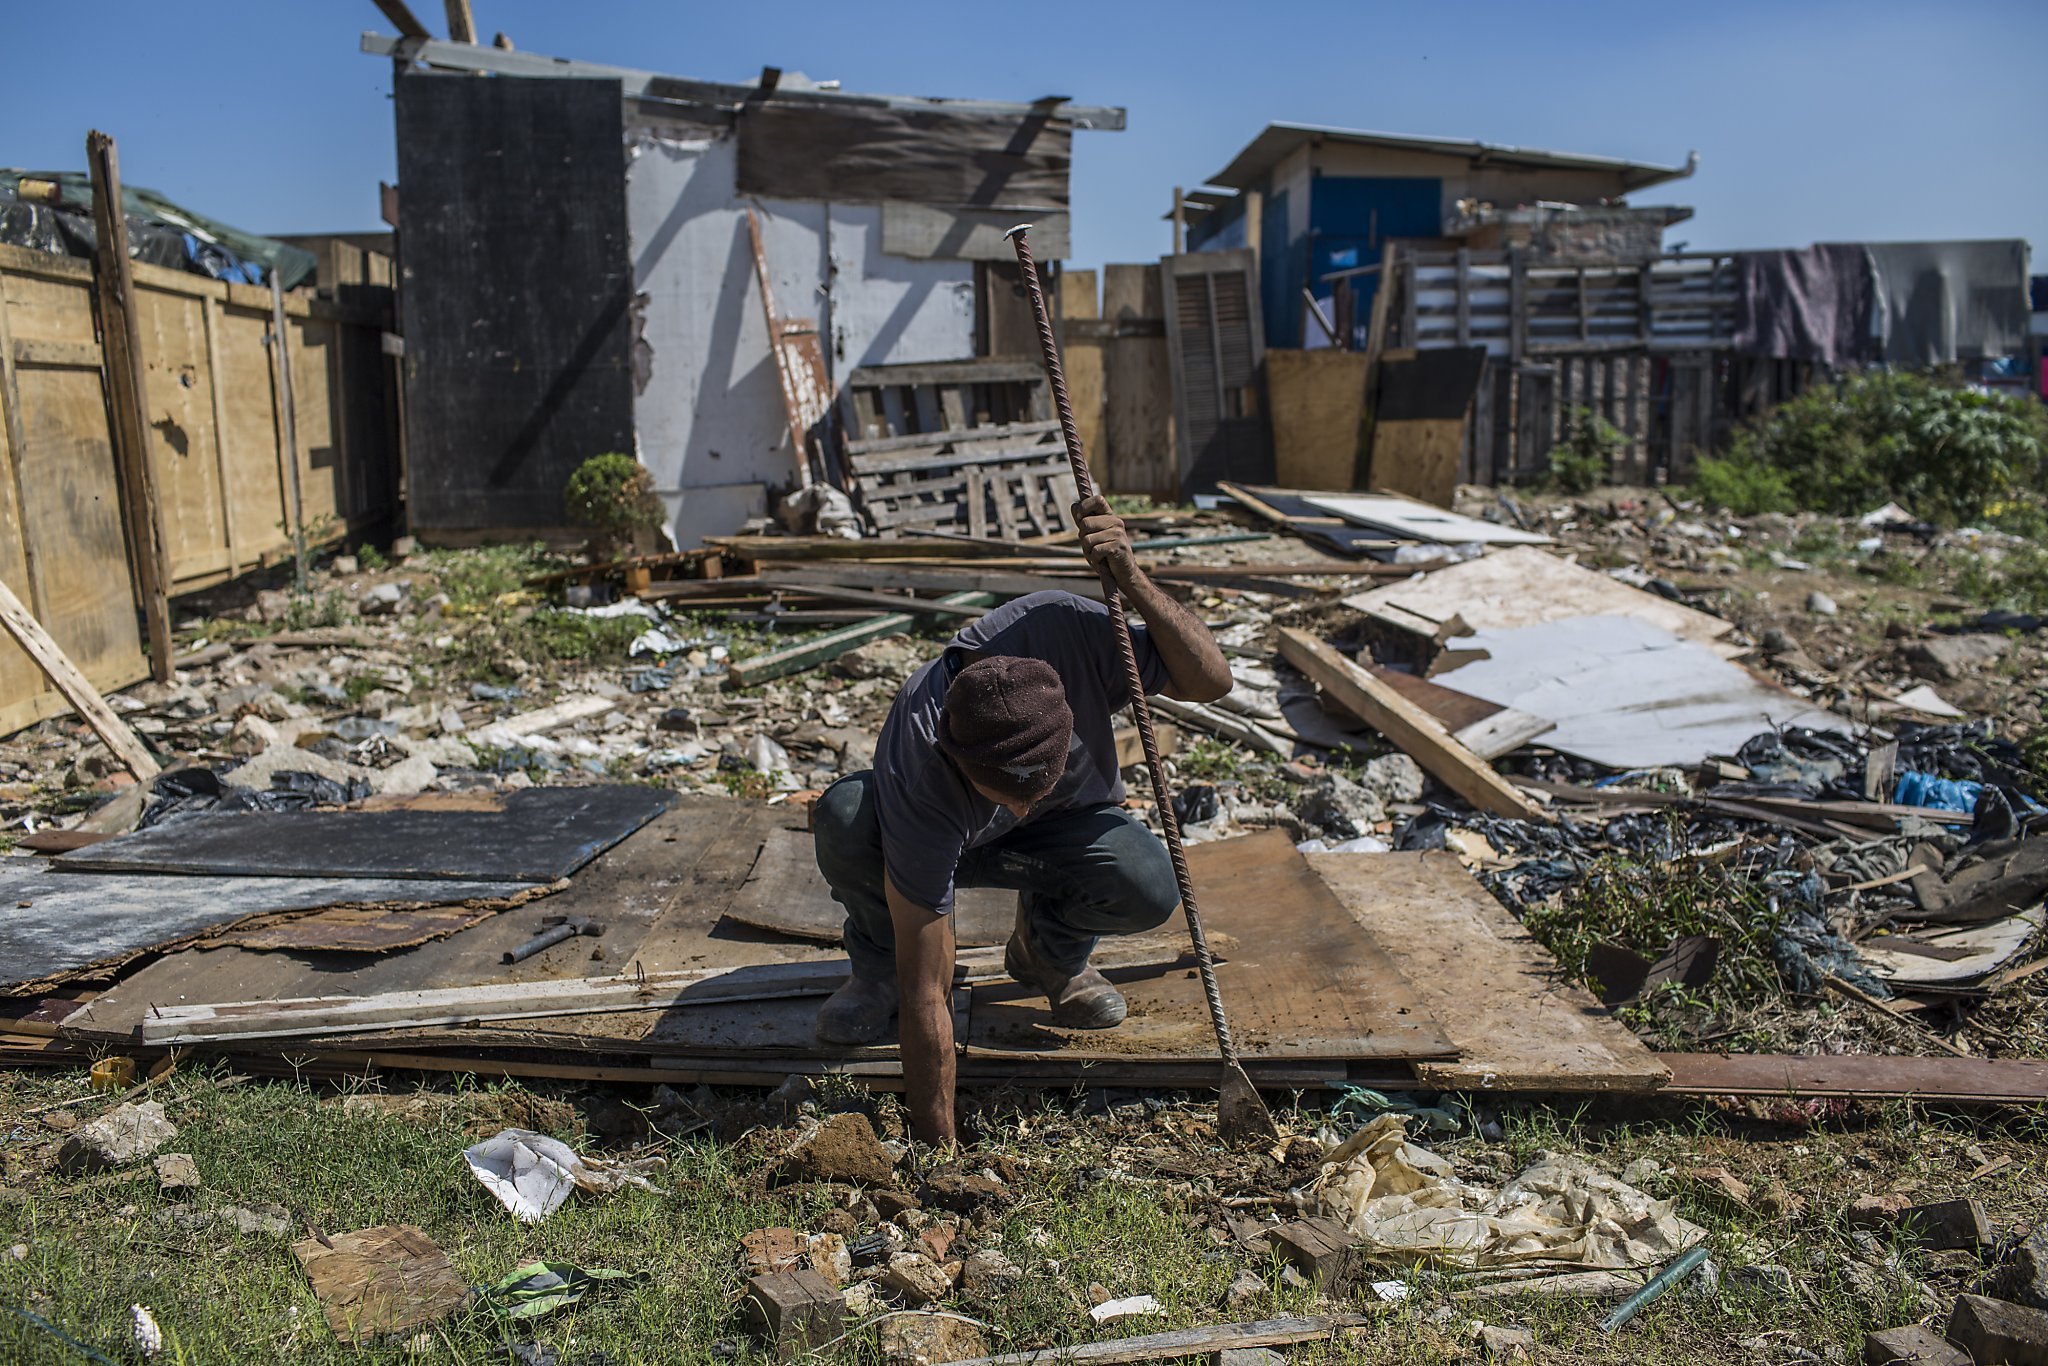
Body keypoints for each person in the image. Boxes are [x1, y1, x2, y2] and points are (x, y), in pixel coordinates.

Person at [810, 495, 1233, 1145]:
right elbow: (934, 992)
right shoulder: (920, 769)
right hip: (955, 840)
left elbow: (1212, 681)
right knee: (845, 815)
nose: (1023, 806)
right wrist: (938, 1145)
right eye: (1008, 794)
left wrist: (1132, 577)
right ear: (959, 759)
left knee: (1149, 882)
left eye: (1038, 785)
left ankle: (1047, 953)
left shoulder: (1071, 634)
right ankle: (875, 970)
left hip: (1061, 836)